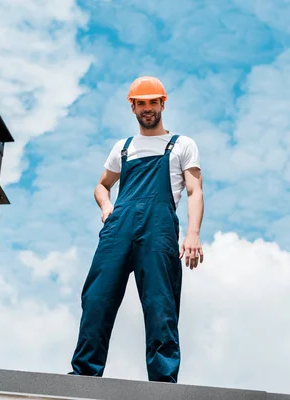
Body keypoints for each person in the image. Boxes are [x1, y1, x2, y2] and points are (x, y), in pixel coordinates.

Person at [68, 76, 204, 383]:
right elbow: (102, 186)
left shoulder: (182, 145)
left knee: (160, 303)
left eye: (153, 103)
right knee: (96, 298)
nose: (147, 109)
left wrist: (192, 234)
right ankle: (84, 375)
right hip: (119, 228)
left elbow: (195, 191)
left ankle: (162, 382)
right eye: (141, 103)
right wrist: (107, 209)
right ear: (133, 107)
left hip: (159, 228)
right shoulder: (123, 147)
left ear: (162, 104)